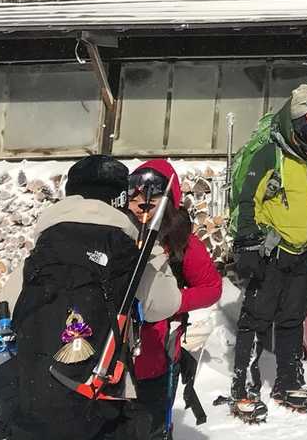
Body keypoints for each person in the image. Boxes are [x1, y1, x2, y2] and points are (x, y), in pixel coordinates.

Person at [0, 154, 182, 440]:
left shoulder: (38, 261)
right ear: (120, 199)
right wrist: (149, 250)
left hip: (29, 423)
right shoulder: (128, 255)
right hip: (101, 420)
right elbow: (166, 304)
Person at [229, 84, 307, 418]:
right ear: (296, 117)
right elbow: (247, 200)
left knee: (293, 319)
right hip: (270, 249)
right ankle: (243, 388)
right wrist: (247, 245)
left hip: (304, 251)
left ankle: (288, 381)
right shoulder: (270, 153)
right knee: (256, 319)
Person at [126, 161, 221, 440]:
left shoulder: (181, 242)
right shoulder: (118, 232)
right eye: (135, 195)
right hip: (115, 356)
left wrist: (172, 302)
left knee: (151, 426)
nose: (142, 203)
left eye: (152, 196)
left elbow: (212, 288)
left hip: (159, 354)